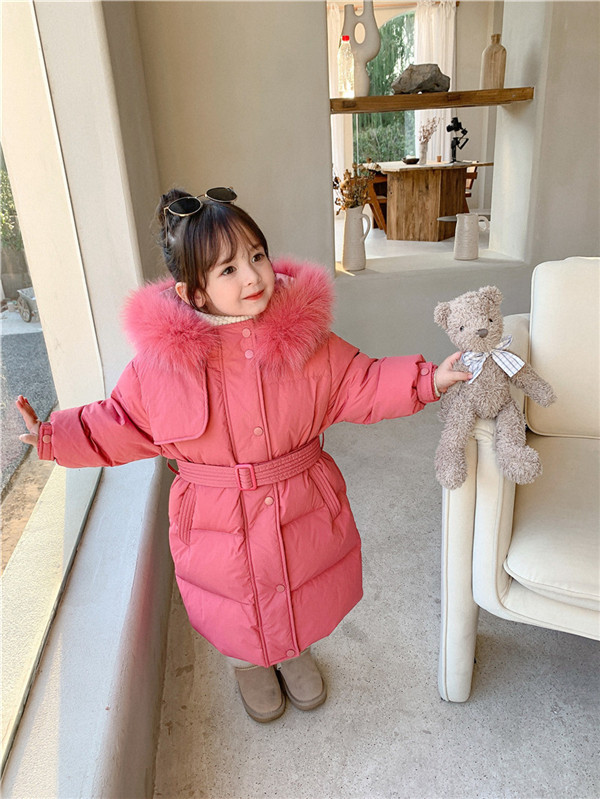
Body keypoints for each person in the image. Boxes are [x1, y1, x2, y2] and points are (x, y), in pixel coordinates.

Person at [16, 187, 471, 723]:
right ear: (193, 292)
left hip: (297, 496)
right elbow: (119, 422)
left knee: (298, 582)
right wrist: (55, 437)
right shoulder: (161, 365)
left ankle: (293, 649)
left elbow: (362, 380)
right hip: (215, 515)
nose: (253, 276)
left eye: (257, 256)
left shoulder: (305, 340)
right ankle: (246, 663)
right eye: (228, 269)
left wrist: (427, 380)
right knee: (232, 599)